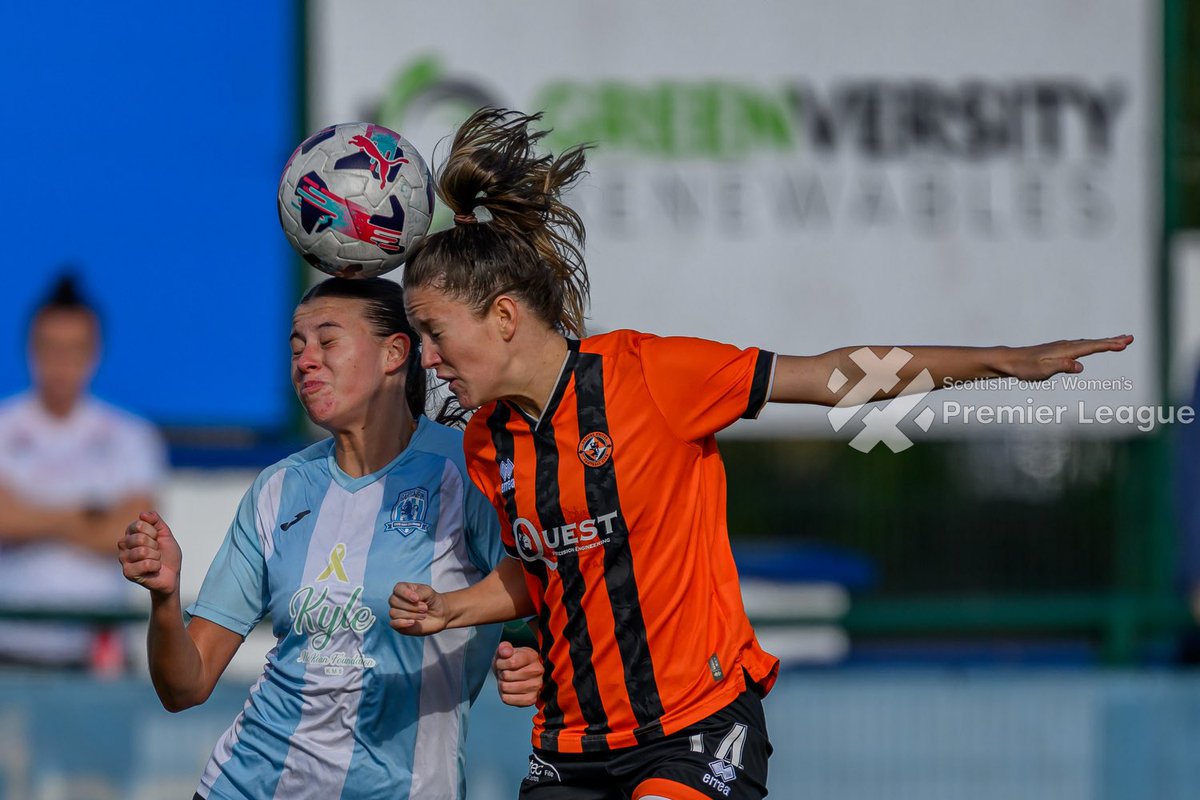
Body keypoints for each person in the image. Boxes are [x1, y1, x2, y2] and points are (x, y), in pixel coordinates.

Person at [386, 107, 1134, 800]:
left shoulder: (650, 375)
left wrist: (998, 360)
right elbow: (547, 566)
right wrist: (456, 608)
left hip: (696, 726)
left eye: (434, 331)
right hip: (571, 745)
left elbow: (832, 378)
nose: (427, 356)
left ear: (506, 317)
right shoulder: (489, 442)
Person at [118, 277, 542, 800]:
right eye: (296, 348)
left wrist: (531, 652)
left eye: (327, 341)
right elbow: (185, 686)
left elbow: (537, 581)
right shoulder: (277, 488)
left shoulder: (464, 469)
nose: (305, 361)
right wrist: (164, 597)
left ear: (395, 353)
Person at [0, 273, 166, 670]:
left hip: (96, 652)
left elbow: (136, 539)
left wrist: (30, 516)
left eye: (74, 350)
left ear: (95, 353)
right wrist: (86, 514)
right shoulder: (5, 426)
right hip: (11, 645)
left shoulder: (131, 436)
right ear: (30, 349)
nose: (61, 364)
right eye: (50, 349)